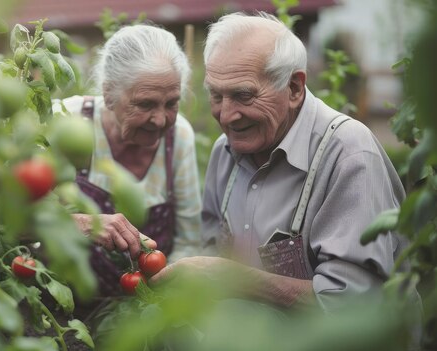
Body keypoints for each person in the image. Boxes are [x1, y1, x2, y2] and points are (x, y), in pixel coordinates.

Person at [151, 11, 414, 313]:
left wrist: (233, 278)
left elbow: (351, 306)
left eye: (243, 95)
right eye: (216, 95)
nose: (225, 115)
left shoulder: (349, 155)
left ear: (294, 88)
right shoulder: (225, 153)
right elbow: (212, 250)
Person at [54, 24, 202, 298]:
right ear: (109, 93)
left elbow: (189, 239)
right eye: (145, 104)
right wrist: (84, 223)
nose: (160, 120)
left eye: (171, 103)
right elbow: (16, 222)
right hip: (65, 311)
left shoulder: (178, 136)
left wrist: (167, 289)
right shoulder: (67, 122)